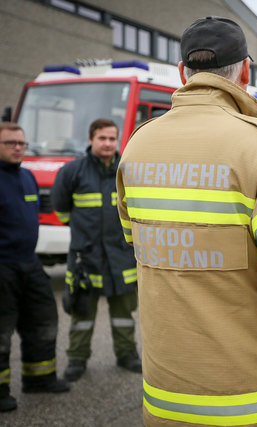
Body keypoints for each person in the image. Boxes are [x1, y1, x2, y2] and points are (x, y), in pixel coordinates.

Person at [116, 16, 257, 426]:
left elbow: (137, 243)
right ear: (245, 70)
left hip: (165, 393)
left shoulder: (138, 144)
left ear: (182, 73)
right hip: (252, 398)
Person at [52, 118, 142, 382]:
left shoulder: (127, 170)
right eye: (102, 138)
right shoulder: (72, 172)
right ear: (91, 139)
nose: (107, 143)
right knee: (82, 311)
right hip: (86, 256)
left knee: (123, 312)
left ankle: (127, 354)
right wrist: (83, 232)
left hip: (120, 255)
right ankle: (77, 359)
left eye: (112, 138)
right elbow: (60, 210)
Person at [0, 122, 69, 412]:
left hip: (29, 262)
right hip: (2, 267)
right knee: (1, 331)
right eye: (10, 143)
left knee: (43, 320)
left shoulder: (28, 177)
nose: (18, 148)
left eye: (22, 143)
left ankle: (39, 379)